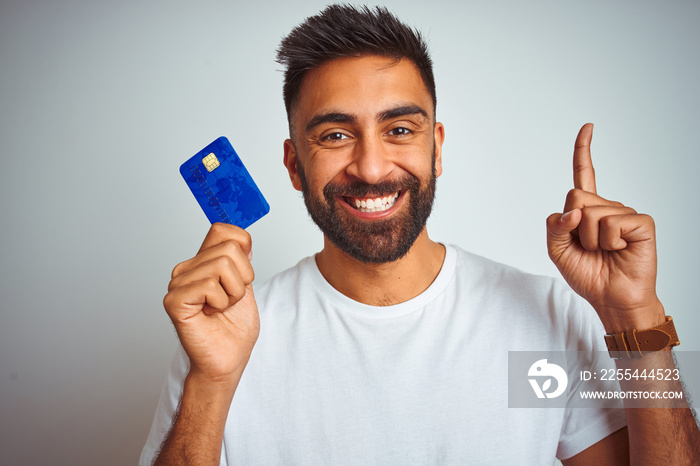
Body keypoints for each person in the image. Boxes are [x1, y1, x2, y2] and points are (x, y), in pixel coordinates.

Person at [141, 5, 699, 465]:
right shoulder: (230, 336)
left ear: (437, 148)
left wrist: (635, 318)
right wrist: (212, 382)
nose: (373, 167)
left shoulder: (542, 321)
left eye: (400, 129)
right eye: (335, 134)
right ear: (294, 166)